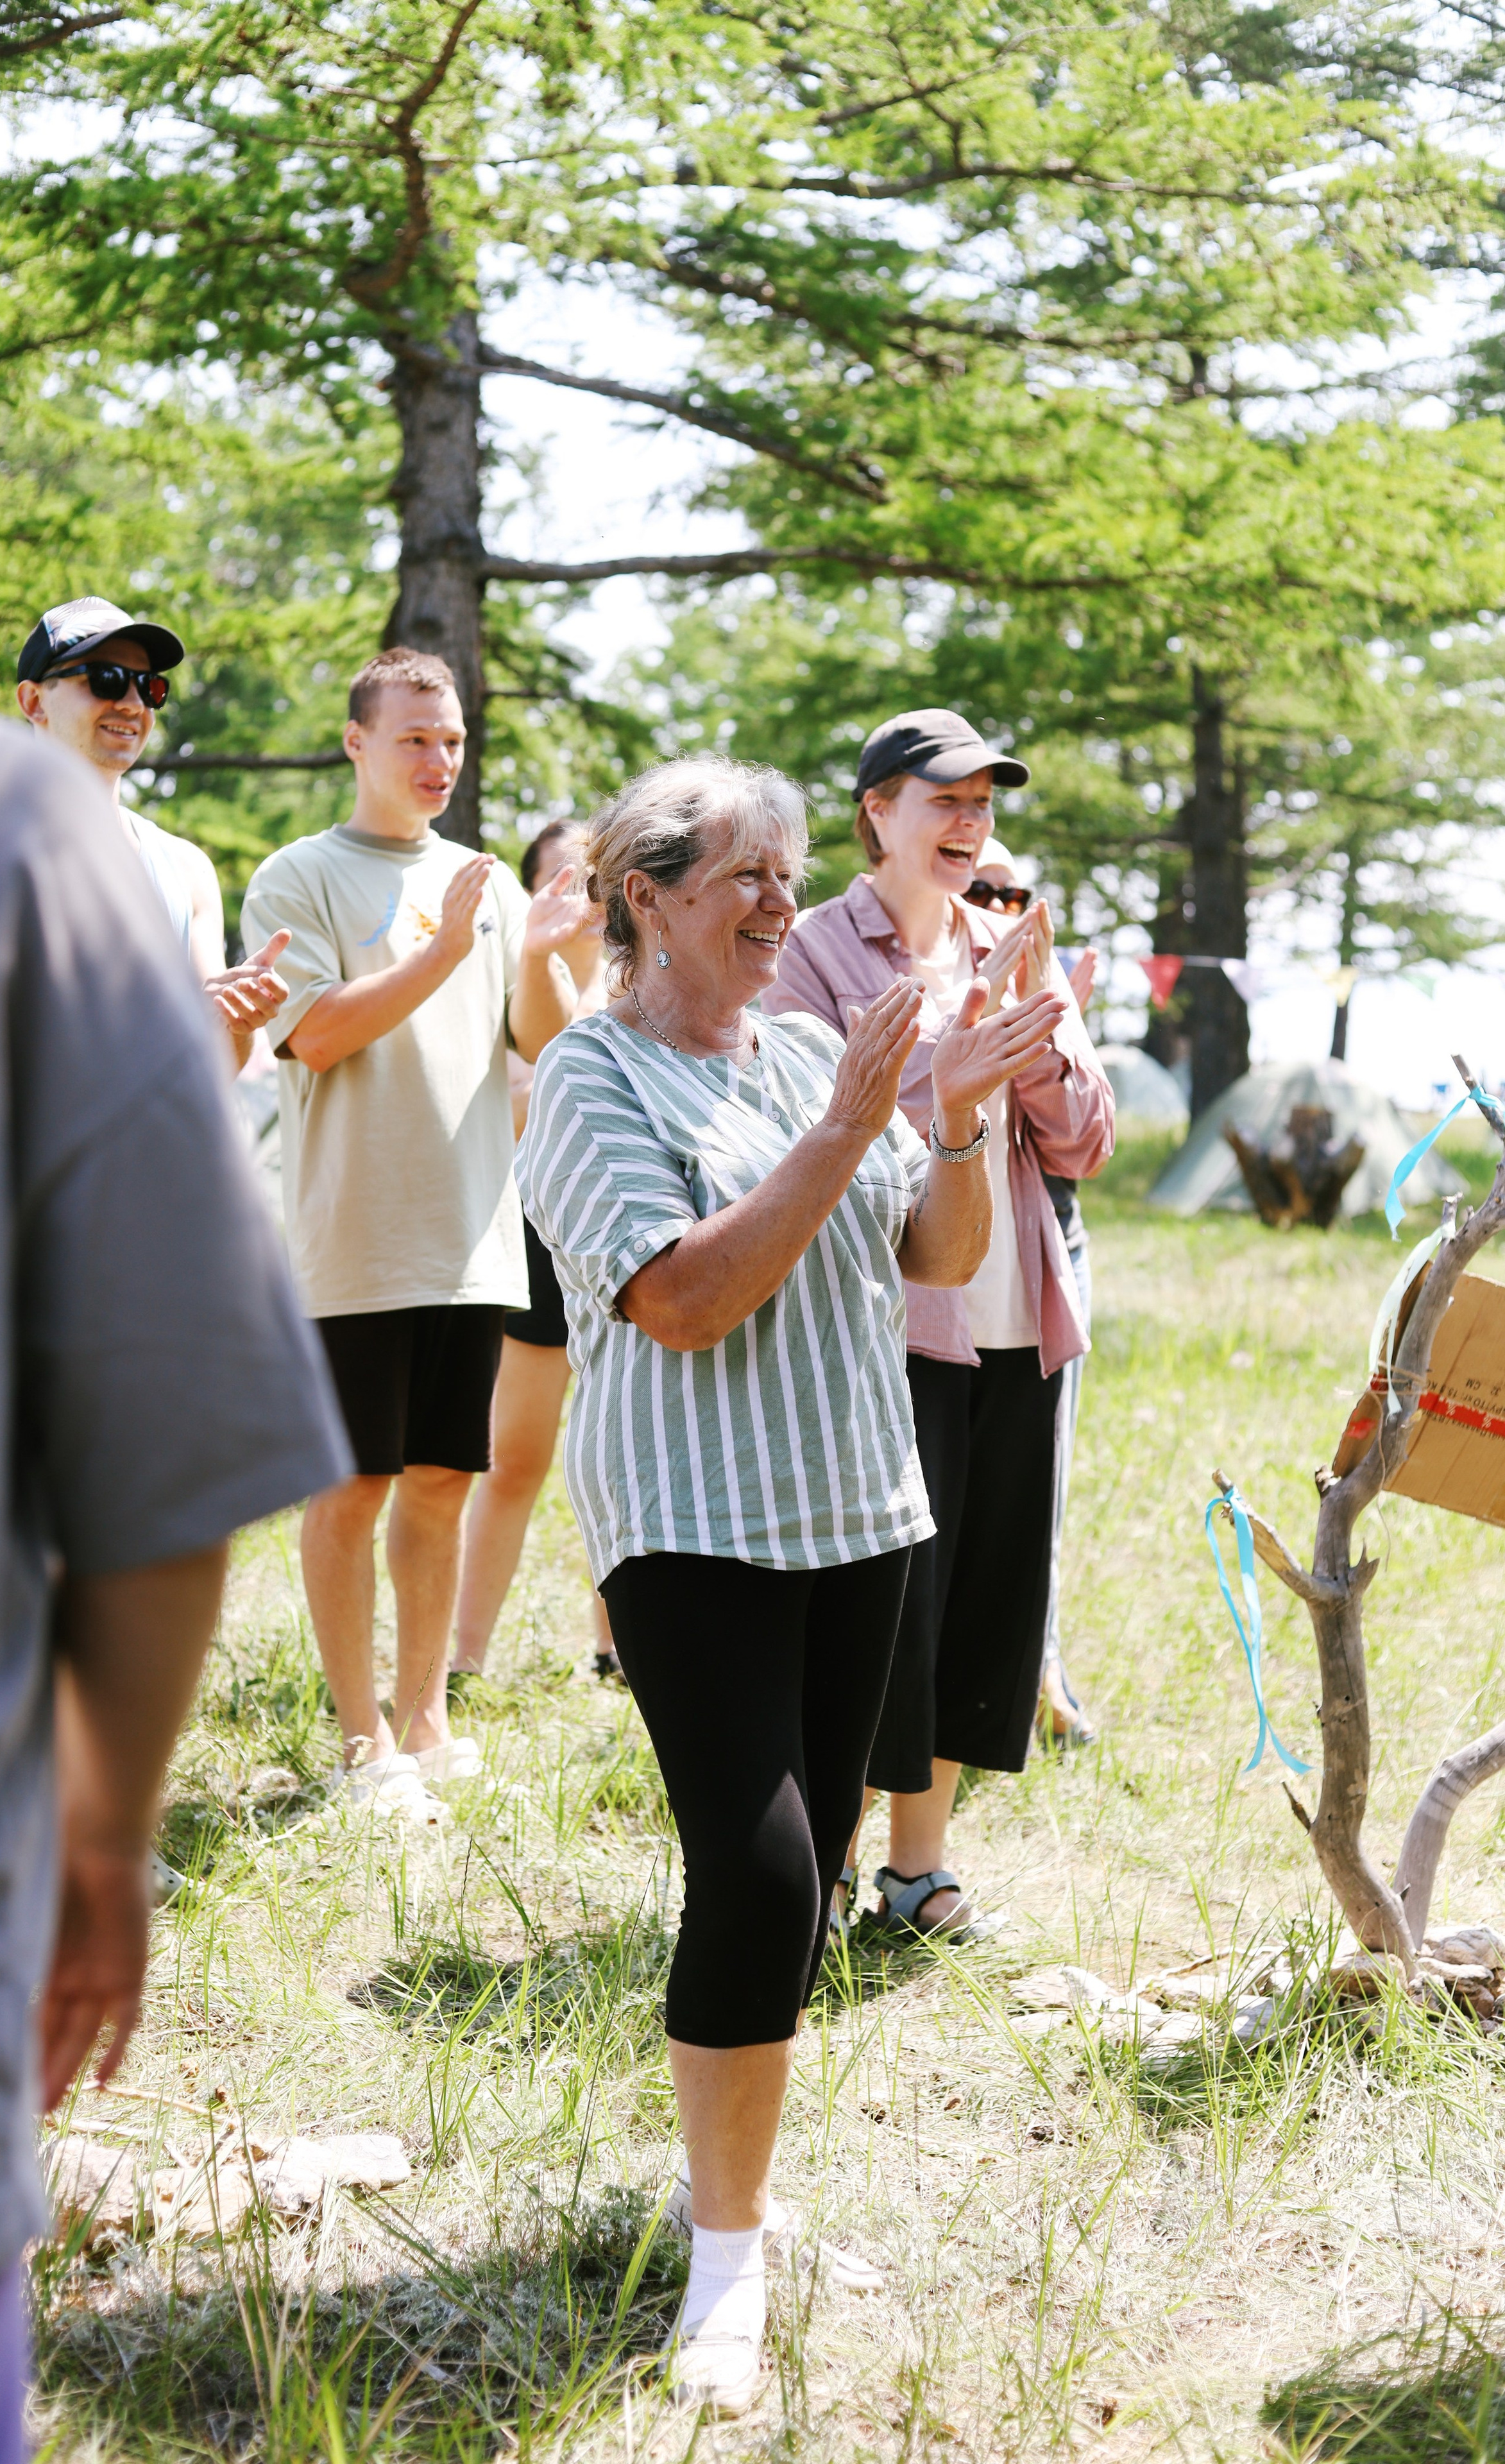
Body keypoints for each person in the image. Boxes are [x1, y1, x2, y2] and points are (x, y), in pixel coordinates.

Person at [0, 312, 351, 2464]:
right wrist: (103, 1832)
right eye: (110, 682)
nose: (138, 712)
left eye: (158, 685)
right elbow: (164, 1454)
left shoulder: (108, 856)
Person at [516, 756, 1065, 2415]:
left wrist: (953, 1113)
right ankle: (725, 2265)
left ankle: (736, 2185)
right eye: (743, 876)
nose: (778, 903)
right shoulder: (590, 1082)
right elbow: (682, 1299)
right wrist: (849, 1126)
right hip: (691, 1526)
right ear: (645, 895)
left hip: (859, 1514)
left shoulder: (820, 1052)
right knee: (754, 1882)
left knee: (814, 1888)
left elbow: (940, 1255)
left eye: (784, 873)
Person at [767, 709, 1114, 1940]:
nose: (970, 825)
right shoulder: (812, 949)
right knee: (885, 1603)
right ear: (879, 812)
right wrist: (952, 1067)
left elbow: (1085, 1140)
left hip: (1020, 1319)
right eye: (945, 801)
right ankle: (824, 1870)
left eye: (984, 804)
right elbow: (806, 1122)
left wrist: (1023, 1045)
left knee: (984, 1595)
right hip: (890, 1320)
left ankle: (924, 1873)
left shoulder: (1016, 945)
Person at [239, 647, 588, 1808]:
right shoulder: (301, 876)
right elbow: (314, 1035)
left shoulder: (482, 884)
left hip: (472, 1241)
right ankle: (357, 1742)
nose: (440, 761)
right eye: (415, 740)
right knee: (352, 1489)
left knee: (441, 1480)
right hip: (353, 1247)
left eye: (452, 743)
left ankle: (425, 1718)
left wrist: (530, 949)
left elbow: (539, 1041)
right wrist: (444, 951)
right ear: (358, 744)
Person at [449, 818, 621, 1690]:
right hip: (534, 1248)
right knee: (513, 1457)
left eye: (596, 878)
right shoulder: (507, 995)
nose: (579, 897)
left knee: (625, 1456)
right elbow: (510, 1114)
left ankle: (618, 1649)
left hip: (627, 1247)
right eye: (559, 878)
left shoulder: (643, 989)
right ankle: (465, 1656)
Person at [16, 596, 289, 1072]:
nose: (132, 703)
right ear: (34, 701)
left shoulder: (184, 869)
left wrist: (234, 1021)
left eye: (150, 687)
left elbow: (216, 1070)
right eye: (105, 679)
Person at [971, 836, 1100, 1749]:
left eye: (1014, 895)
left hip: (1048, 1254)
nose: (998, 909)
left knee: (1032, 1492)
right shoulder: (905, 972)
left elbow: (1084, 1142)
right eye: (981, 889)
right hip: (933, 1276)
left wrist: (1048, 1026)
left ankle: (1037, 1672)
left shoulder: (1043, 984)